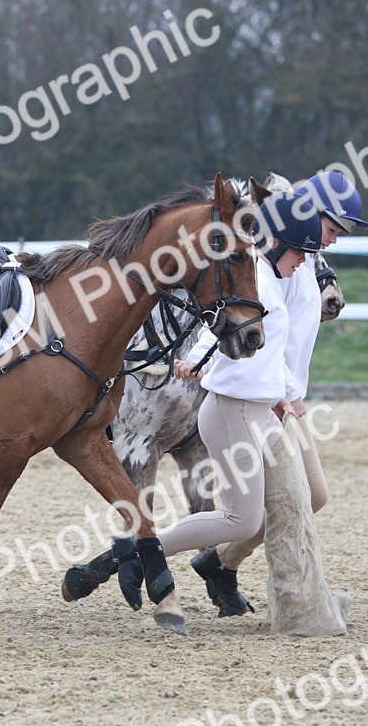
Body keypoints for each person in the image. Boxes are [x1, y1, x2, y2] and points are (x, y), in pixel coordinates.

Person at [135, 187, 325, 613]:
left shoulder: (280, 278)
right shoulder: (257, 281)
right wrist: (197, 360)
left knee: (306, 496)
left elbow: (268, 348)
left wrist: (292, 398)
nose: (304, 264)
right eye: (300, 254)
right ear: (278, 245)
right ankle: (140, 550)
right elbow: (221, 320)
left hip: (262, 409)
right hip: (234, 409)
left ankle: (289, 594)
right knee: (244, 518)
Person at [199, 171, 368, 615]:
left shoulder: (306, 263)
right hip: (268, 399)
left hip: (286, 397)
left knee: (311, 496)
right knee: (297, 498)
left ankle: (221, 562)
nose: (333, 241)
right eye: (332, 229)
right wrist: (281, 398)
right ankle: (297, 599)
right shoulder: (282, 265)